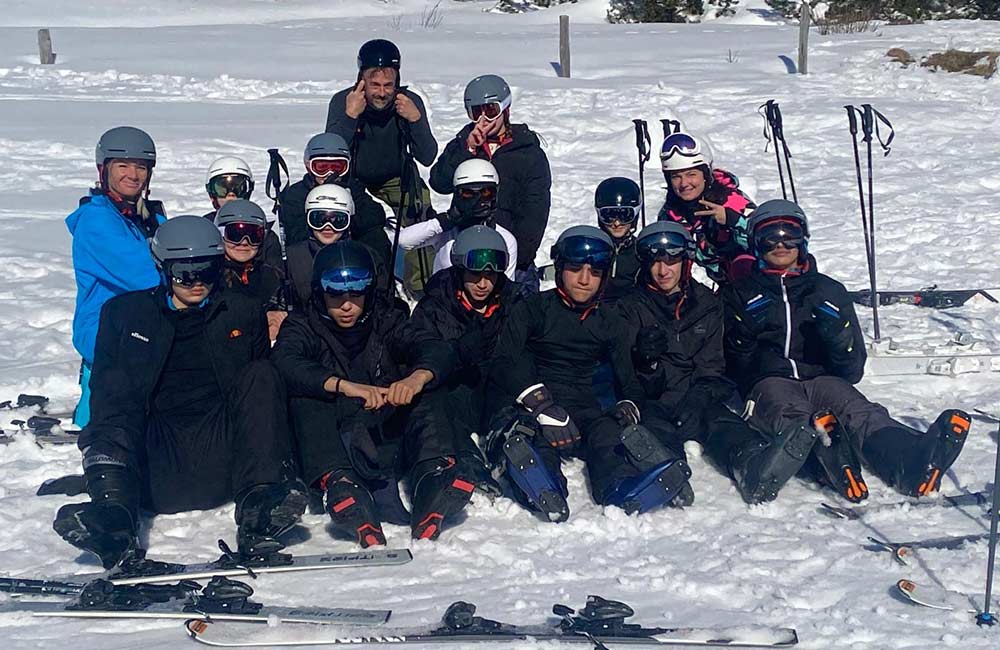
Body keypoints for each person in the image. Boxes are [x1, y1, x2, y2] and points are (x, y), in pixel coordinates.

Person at [53, 216, 306, 569]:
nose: (197, 282)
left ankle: (259, 511)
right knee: (116, 382)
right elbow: (108, 402)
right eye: (185, 273)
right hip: (154, 466)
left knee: (262, 374)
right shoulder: (125, 315)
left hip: (223, 460)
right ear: (162, 268)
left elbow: (259, 406)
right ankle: (114, 516)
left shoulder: (242, 312)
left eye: (207, 271)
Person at [722, 199, 970, 503]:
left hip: (824, 379)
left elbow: (852, 371)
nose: (781, 243)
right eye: (770, 235)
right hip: (769, 382)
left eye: (791, 234)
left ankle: (910, 460)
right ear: (756, 243)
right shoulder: (738, 292)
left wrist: (839, 338)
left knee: (860, 412)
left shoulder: (827, 290)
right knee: (792, 417)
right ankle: (830, 461)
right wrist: (743, 334)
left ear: (803, 239)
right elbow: (734, 370)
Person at [271, 241, 480, 545]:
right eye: (335, 293)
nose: (346, 304)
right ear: (319, 291)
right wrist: (343, 386)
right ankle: (343, 488)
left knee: (428, 388)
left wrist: (416, 378)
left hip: (384, 427)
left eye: (355, 293)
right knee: (305, 399)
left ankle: (431, 479)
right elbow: (285, 361)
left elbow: (433, 347)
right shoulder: (303, 324)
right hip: (336, 435)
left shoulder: (387, 319)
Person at [486, 226, 693, 523]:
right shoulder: (533, 308)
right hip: (532, 401)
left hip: (582, 406)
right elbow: (506, 360)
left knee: (607, 434)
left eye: (594, 272)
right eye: (574, 269)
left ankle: (621, 488)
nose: (584, 280)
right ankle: (543, 486)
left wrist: (627, 405)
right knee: (524, 435)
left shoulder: (610, 320)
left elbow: (627, 378)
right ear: (559, 269)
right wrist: (542, 405)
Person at [616, 222, 766, 498]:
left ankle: (751, 461)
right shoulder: (629, 307)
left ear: (685, 262)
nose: (663, 271)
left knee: (719, 420)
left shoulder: (706, 303)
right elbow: (626, 376)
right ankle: (667, 470)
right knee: (654, 426)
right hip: (654, 398)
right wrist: (646, 362)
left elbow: (712, 366)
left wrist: (700, 396)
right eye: (655, 262)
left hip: (695, 395)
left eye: (671, 261)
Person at [408, 226, 521, 496]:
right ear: (459, 271)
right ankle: (467, 461)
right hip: (455, 389)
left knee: (510, 408)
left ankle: (512, 451)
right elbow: (419, 349)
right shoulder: (436, 304)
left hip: (495, 387)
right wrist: (458, 352)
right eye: (475, 275)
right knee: (443, 411)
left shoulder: (513, 301)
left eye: (490, 275)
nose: (483, 284)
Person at [67, 126, 166, 428]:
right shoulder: (98, 222)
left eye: (141, 167)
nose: (133, 175)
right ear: (104, 170)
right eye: (123, 166)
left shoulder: (147, 217)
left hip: (142, 325)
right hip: (108, 331)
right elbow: (150, 277)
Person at [325, 39, 437, 293]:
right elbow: (333, 157)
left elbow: (428, 155)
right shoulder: (343, 102)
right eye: (375, 85)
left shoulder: (408, 102)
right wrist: (350, 117)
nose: (382, 92)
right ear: (361, 80)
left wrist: (415, 119)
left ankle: (422, 286)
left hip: (396, 176)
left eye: (389, 85)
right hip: (354, 177)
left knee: (420, 210)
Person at [430, 74, 551, 293]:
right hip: (468, 250)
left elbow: (535, 211)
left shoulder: (528, 154)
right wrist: (467, 151)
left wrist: (519, 258)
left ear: (505, 109)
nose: (484, 119)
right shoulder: (463, 143)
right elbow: (439, 182)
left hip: (510, 254)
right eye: (476, 112)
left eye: (491, 110)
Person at [277, 133, 392, 268]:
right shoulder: (297, 194)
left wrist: (345, 214)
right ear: (309, 166)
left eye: (338, 167)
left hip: (349, 249)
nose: (330, 174)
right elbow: (295, 231)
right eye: (322, 167)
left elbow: (375, 215)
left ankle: (378, 279)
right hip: (313, 251)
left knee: (376, 237)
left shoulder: (352, 188)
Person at [657, 132, 756, 285]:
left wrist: (733, 220)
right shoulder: (671, 214)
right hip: (723, 287)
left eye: (691, 174)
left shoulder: (732, 201)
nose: (684, 183)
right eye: (676, 176)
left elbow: (769, 242)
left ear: (705, 175)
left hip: (756, 282)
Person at [395, 159, 518, 281]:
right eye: (468, 193)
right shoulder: (446, 233)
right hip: (442, 298)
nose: (477, 201)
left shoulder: (505, 240)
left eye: (486, 192)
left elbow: (505, 285)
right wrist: (445, 221)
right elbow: (404, 241)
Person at [214, 199, 288, 340]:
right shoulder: (212, 278)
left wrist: (276, 315)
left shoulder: (270, 275)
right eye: (235, 234)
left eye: (254, 235)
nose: (244, 242)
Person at [204, 156, 282, 268]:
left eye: (238, 188)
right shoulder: (206, 229)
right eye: (222, 188)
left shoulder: (263, 231)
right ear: (212, 193)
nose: (231, 194)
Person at [594, 177, 642, 300]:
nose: (616, 223)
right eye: (609, 216)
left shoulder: (641, 252)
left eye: (624, 215)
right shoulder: (593, 248)